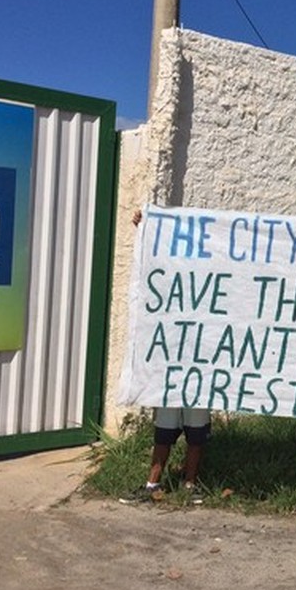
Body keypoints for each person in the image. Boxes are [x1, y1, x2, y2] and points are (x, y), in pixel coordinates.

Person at [120, 208, 212, 505]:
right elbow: (154, 260)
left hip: (201, 364)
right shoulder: (171, 274)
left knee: (197, 431)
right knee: (165, 429)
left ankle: (189, 484)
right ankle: (152, 484)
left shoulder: (212, 276)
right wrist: (146, 229)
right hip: (171, 364)